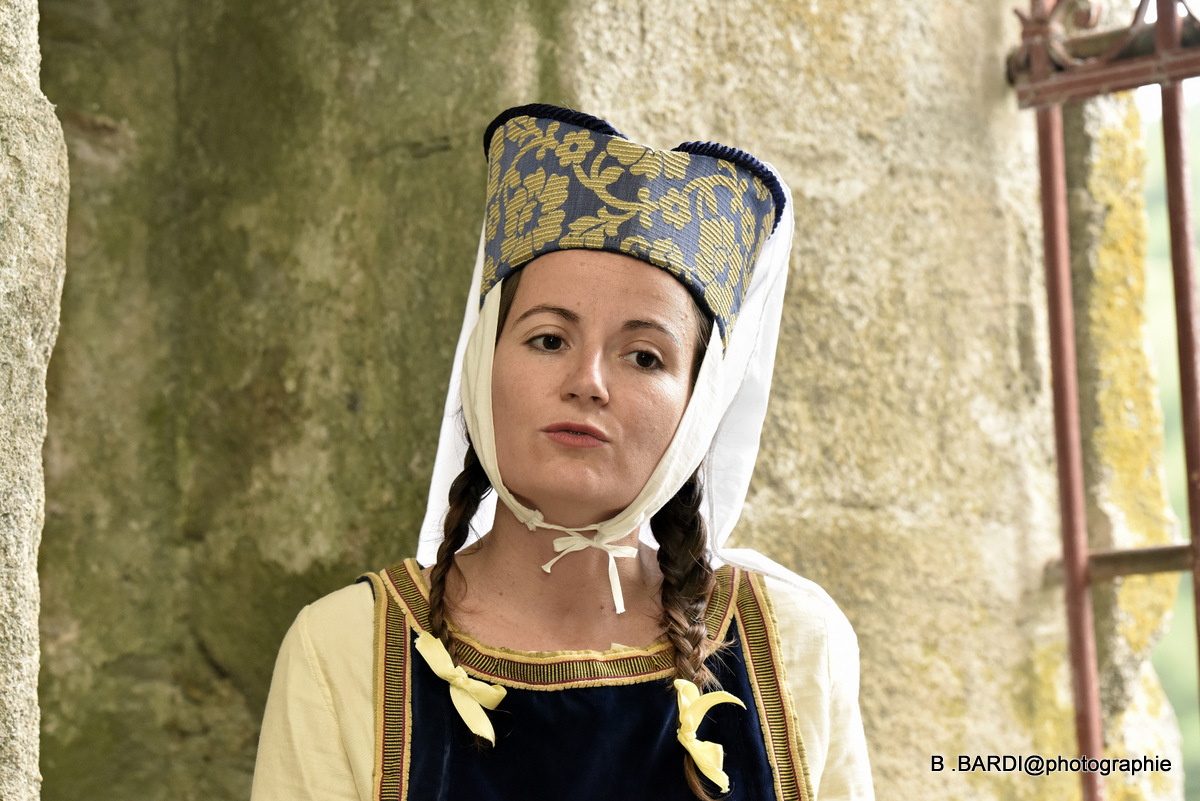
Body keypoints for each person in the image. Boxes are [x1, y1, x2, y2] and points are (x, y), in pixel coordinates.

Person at [250, 104, 874, 801]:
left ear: (696, 408)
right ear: (483, 367)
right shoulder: (344, 650)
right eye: (549, 339)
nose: (588, 382)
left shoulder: (794, 646)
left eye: (644, 356)